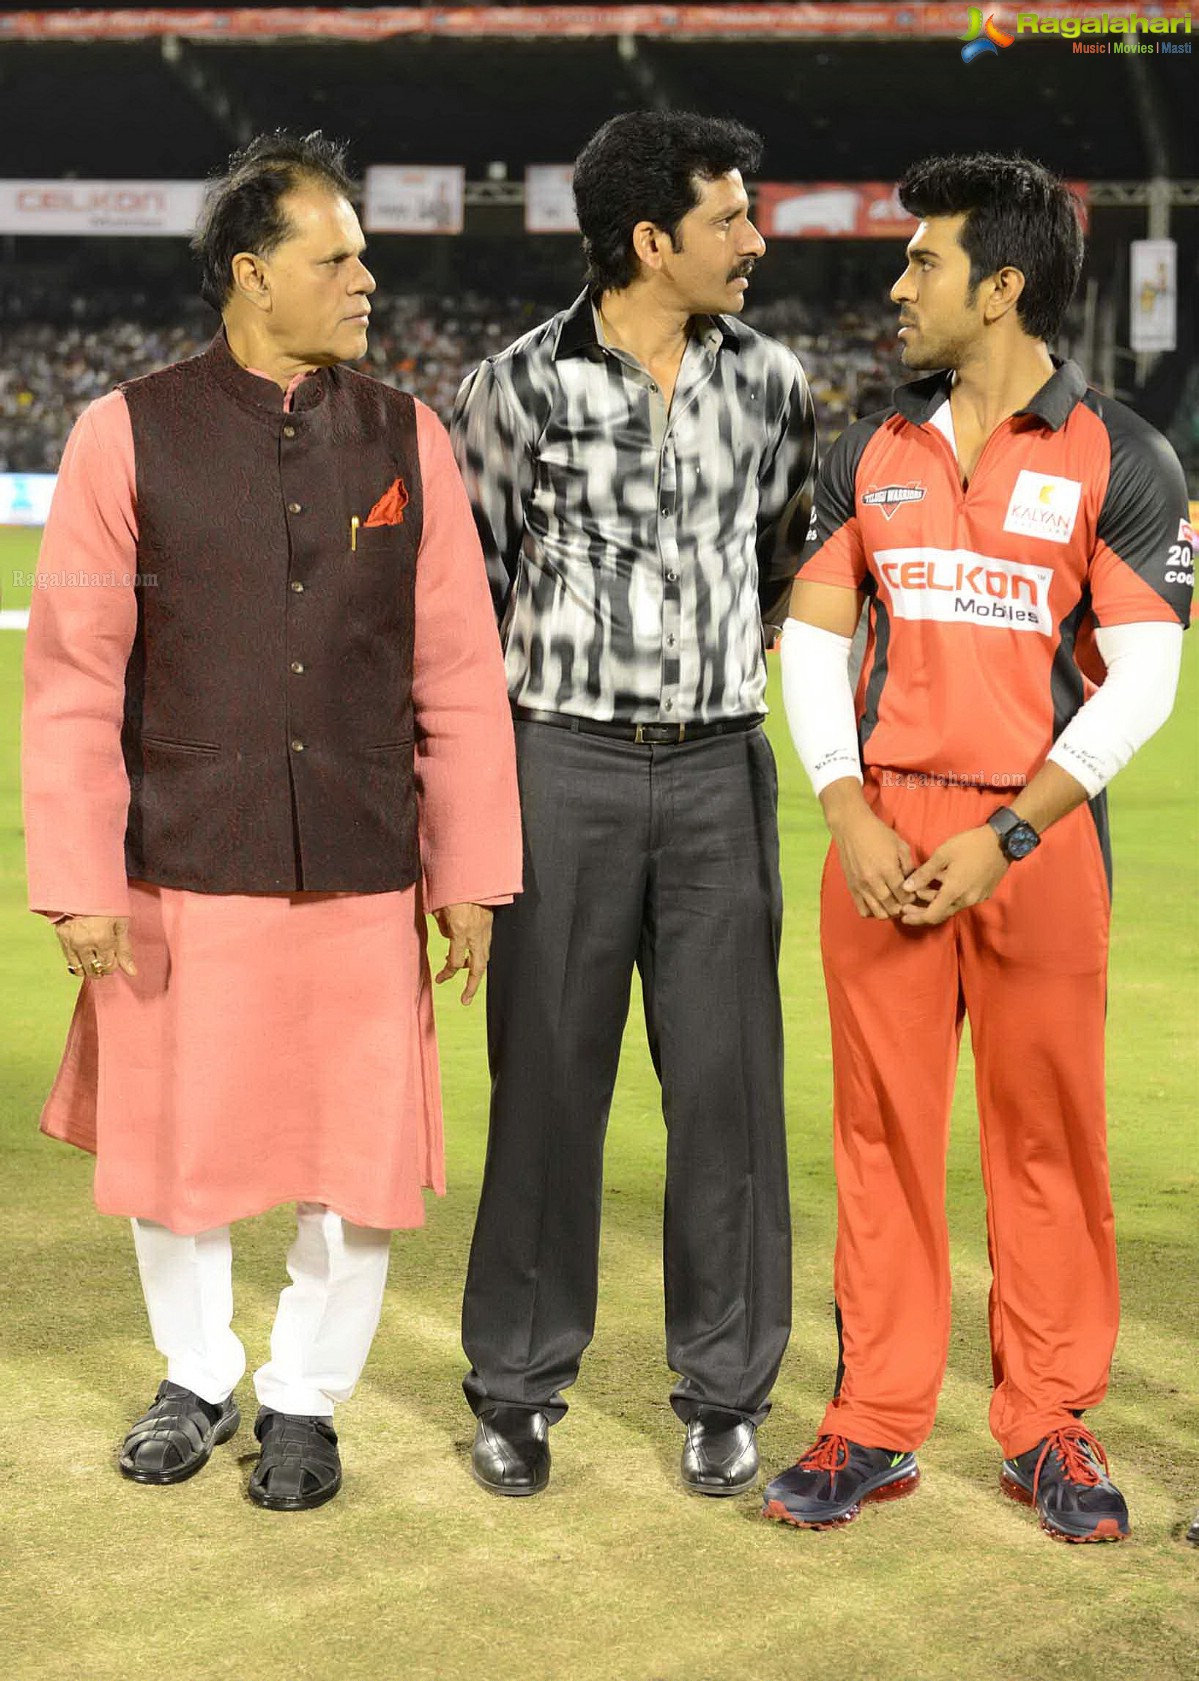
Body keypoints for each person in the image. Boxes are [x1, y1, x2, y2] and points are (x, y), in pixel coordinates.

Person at [21, 131, 521, 1512]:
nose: (367, 277)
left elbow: (460, 668)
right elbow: (72, 676)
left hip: (365, 861)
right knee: (179, 1153)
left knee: (352, 1163)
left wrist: (471, 868)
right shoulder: (124, 430)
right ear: (252, 275)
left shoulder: (407, 432)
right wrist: (74, 873)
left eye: (363, 254)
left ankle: (306, 1399)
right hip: (182, 863)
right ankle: (195, 1372)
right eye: (338, 256)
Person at [764, 152, 1191, 1542]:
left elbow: (1144, 676)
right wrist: (843, 803)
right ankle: (874, 1422)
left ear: (1002, 285)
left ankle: (1048, 1423)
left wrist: (1013, 830)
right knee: (879, 1137)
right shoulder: (866, 447)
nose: (898, 287)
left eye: (925, 263)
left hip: (1039, 836)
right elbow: (814, 642)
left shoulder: (1123, 455)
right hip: (880, 831)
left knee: (1046, 1138)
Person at [450, 110, 816, 1500]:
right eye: (730, 218)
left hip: (722, 763)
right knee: (547, 1084)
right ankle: (518, 1382)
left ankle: (725, 1386)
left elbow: (785, 565)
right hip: (562, 762)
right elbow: (467, 609)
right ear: (651, 239)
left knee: (727, 1087)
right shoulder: (517, 387)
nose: (755, 239)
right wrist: (471, 831)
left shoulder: (773, 381)